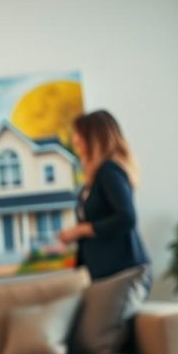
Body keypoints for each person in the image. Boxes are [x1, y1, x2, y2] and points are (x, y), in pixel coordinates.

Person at [57, 109, 150, 285]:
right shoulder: (94, 178)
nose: (74, 139)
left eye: (78, 134)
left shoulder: (108, 171)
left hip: (121, 274)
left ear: (94, 138)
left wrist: (81, 229)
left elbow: (126, 218)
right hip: (101, 274)